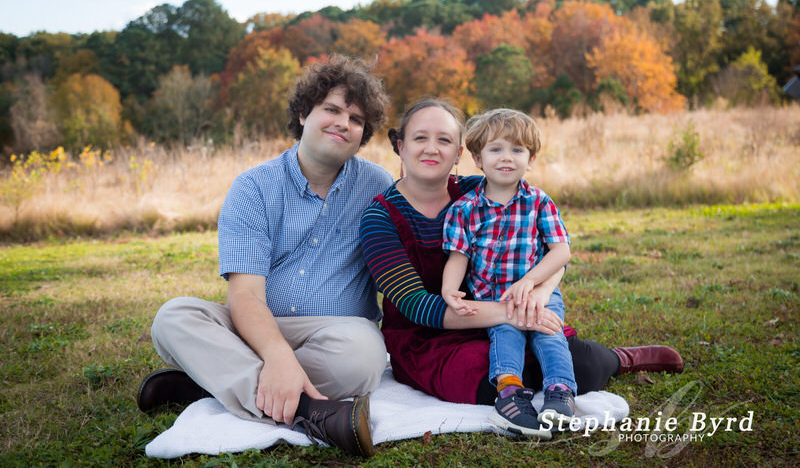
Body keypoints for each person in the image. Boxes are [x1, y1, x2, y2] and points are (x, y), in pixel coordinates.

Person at [359, 99, 684, 436]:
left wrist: (537, 294)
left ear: (460, 153)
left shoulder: (485, 189)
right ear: (400, 146)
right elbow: (418, 307)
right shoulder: (380, 218)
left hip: (514, 311)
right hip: (431, 335)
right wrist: (511, 313)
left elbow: (550, 254)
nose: (431, 149)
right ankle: (517, 391)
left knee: (579, 364)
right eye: (419, 138)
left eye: (444, 140)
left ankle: (620, 359)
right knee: (479, 376)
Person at [136, 55, 394, 457]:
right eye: (332, 109)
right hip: (253, 325)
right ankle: (311, 410)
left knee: (365, 354)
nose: (344, 123)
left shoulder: (377, 186)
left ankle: (210, 383)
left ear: (363, 134)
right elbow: (245, 297)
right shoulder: (254, 187)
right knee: (174, 317)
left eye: (357, 119)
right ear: (304, 112)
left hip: (334, 333)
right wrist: (275, 355)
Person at [441, 108, 574, 438]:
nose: (507, 158)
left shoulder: (539, 202)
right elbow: (459, 256)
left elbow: (561, 250)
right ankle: (510, 392)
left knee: (549, 332)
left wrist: (530, 282)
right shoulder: (465, 209)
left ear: (530, 160)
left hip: (537, 290)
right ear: (477, 157)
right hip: (493, 297)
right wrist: (449, 290)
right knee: (506, 336)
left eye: (517, 150)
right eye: (496, 149)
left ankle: (560, 392)